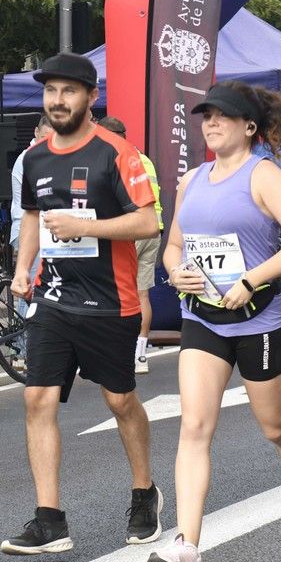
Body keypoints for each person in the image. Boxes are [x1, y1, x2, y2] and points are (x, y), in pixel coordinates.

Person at [146, 81, 281, 562]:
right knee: (194, 427)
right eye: (206, 116)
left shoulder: (263, 175)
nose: (211, 123)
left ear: (249, 126)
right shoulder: (192, 180)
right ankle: (187, 547)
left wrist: (251, 279)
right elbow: (174, 245)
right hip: (204, 317)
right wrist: (176, 271)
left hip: (261, 318)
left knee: (276, 428)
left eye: (222, 116)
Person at [3, 52, 162, 556]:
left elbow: (148, 222)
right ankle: (49, 520)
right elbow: (32, 216)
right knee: (37, 399)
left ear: (91, 97)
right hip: (54, 298)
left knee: (119, 401)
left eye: (68, 91)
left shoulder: (116, 153)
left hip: (111, 301)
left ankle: (144, 493)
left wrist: (85, 226)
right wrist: (23, 268)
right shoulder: (34, 158)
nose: (58, 100)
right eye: (51, 91)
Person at [96, 115, 164, 373]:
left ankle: (114, 352)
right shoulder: (143, 158)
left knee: (113, 291)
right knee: (142, 294)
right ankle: (140, 355)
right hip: (153, 231)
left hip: (130, 231)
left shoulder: (116, 158)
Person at [8, 115, 53, 371]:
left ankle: (30, 348)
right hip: (28, 230)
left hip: (43, 230)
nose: (47, 142)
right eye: (44, 137)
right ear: (36, 132)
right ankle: (23, 350)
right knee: (30, 289)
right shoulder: (30, 158)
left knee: (38, 288)